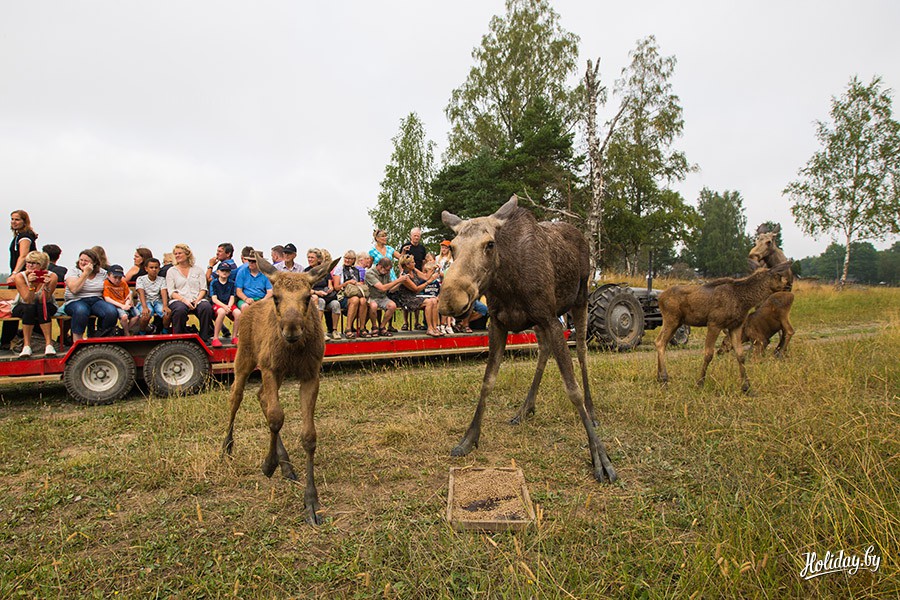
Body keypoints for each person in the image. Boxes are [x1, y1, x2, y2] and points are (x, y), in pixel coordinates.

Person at [63, 249, 119, 341]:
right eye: (81, 260)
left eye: (86, 261)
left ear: (94, 263)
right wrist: (85, 273)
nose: (82, 262)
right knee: (81, 310)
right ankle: (77, 341)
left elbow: (116, 283)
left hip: (96, 300)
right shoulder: (74, 271)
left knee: (111, 311)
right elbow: (74, 289)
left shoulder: (102, 273)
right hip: (76, 300)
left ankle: (102, 337)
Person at [12, 251, 59, 356]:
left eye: (33, 263)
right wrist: (31, 285)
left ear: (42, 265)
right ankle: (26, 345)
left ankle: (49, 345)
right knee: (30, 308)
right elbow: (28, 300)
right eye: (28, 262)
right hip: (23, 304)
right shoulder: (20, 276)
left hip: (45, 303)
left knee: (42, 307)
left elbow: (43, 299)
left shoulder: (52, 276)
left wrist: (45, 286)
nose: (29, 265)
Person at [166, 243, 213, 343]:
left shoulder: (198, 270)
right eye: (175, 254)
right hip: (179, 299)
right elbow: (171, 292)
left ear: (187, 254)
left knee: (206, 307)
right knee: (180, 310)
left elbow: (203, 289)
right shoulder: (171, 271)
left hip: (196, 298)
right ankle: (179, 338)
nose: (177, 255)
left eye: (180, 253)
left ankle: (204, 337)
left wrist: (197, 300)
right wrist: (184, 300)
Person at [365, 257, 409, 337]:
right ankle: (374, 327)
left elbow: (391, 289)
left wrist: (401, 282)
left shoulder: (386, 273)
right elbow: (382, 288)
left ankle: (382, 327)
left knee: (392, 306)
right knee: (373, 306)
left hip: (382, 297)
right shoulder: (370, 273)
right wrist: (398, 280)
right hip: (371, 297)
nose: (388, 272)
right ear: (380, 266)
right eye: (387, 270)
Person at [305, 248, 341, 339]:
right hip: (314, 296)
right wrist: (317, 292)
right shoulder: (306, 272)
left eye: (312, 257)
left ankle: (334, 330)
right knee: (321, 302)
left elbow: (330, 285)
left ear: (318, 259)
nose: (310, 259)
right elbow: (305, 289)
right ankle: (320, 331)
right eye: (308, 257)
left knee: (336, 304)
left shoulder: (324, 270)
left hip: (327, 296)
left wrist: (330, 289)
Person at [331, 250, 368, 338]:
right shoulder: (339, 269)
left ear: (354, 260)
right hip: (342, 295)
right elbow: (336, 287)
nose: (347, 260)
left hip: (355, 293)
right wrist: (347, 283)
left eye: (350, 259)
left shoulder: (356, 270)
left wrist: (358, 283)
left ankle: (362, 328)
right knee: (355, 300)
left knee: (363, 300)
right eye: (346, 258)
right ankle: (348, 328)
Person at [209, 262, 241, 347]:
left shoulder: (232, 283)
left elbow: (232, 297)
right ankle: (215, 338)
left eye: (227, 271)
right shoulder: (214, 283)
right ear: (218, 272)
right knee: (221, 312)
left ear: (229, 273)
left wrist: (229, 306)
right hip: (218, 304)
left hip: (228, 304)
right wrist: (224, 306)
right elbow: (214, 299)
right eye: (222, 270)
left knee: (238, 313)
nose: (224, 272)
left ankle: (234, 337)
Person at [134, 257, 169, 334]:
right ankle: (142, 332)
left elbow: (163, 292)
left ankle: (165, 331)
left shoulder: (162, 279)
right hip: (145, 302)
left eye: (156, 267)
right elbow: (141, 293)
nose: (154, 269)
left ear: (159, 269)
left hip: (157, 301)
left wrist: (165, 306)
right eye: (151, 267)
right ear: (146, 269)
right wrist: (144, 307)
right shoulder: (141, 279)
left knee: (167, 314)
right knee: (146, 315)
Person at [8, 210, 38, 283]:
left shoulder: (25, 237)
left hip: (24, 274)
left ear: (24, 222)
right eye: (12, 219)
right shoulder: (18, 236)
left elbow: (23, 256)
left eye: (17, 220)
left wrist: (14, 273)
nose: (13, 222)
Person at [103, 264, 133, 335]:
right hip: (115, 305)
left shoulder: (123, 283)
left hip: (124, 304)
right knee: (124, 317)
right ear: (108, 275)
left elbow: (128, 295)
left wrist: (127, 304)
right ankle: (126, 333)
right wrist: (122, 306)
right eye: (115, 277)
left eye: (120, 278)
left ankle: (124, 330)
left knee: (138, 315)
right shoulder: (106, 283)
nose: (117, 280)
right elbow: (107, 298)